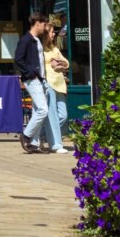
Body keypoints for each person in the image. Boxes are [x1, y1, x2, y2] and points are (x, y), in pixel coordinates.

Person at [15, 15, 52, 155]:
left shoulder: (36, 40)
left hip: (40, 79)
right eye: (43, 24)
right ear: (37, 24)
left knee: (37, 110)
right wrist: (31, 73)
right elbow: (18, 59)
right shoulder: (26, 40)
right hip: (32, 79)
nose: (45, 27)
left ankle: (34, 143)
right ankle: (26, 136)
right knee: (43, 109)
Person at [43, 13, 71, 153]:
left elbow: (67, 63)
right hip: (49, 83)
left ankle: (43, 135)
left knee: (63, 115)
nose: (54, 34)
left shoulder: (54, 49)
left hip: (60, 84)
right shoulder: (41, 50)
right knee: (52, 114)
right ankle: (56, 144)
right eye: (52, 32)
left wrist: (59, 62)